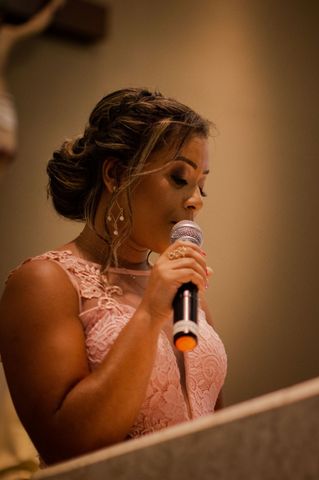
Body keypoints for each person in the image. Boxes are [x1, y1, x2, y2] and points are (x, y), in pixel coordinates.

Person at [0, 88, 227, 467]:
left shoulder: (188, 292)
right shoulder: (44, 282)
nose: (196, 200)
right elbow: (68, 446)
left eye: (201, 185)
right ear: (116, 174)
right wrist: (151, 312)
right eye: (179, 177)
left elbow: (220, 429)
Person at [0, 0, 66, 175]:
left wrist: (53, 7)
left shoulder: (5, 35)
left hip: (2, 106)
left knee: (5, 152)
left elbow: (35, 25)